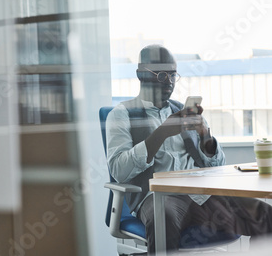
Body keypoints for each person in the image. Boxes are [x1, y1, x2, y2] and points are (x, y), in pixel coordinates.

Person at [106, 44, 272, 254]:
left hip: (201, 194)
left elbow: (217, 165)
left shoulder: (181, 112)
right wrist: (161, 133)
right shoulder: (121, 114)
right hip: (158, 198)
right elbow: (118, 170)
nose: (168, 82)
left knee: (265, 216)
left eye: (173, 75)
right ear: (140, 75)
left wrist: (205, 135)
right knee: (164, 219)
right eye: (160, 75)